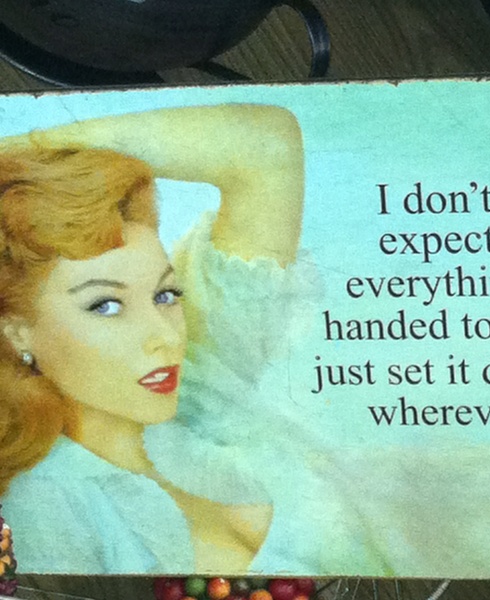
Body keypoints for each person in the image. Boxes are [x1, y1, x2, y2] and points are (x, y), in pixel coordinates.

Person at [0, 104, 314, 574]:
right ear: (17, 332)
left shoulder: (201, 392)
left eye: (165, 295)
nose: (165, 336)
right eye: (106, 305)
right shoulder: (46, 511)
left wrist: (17, 158)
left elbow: (268, 145)